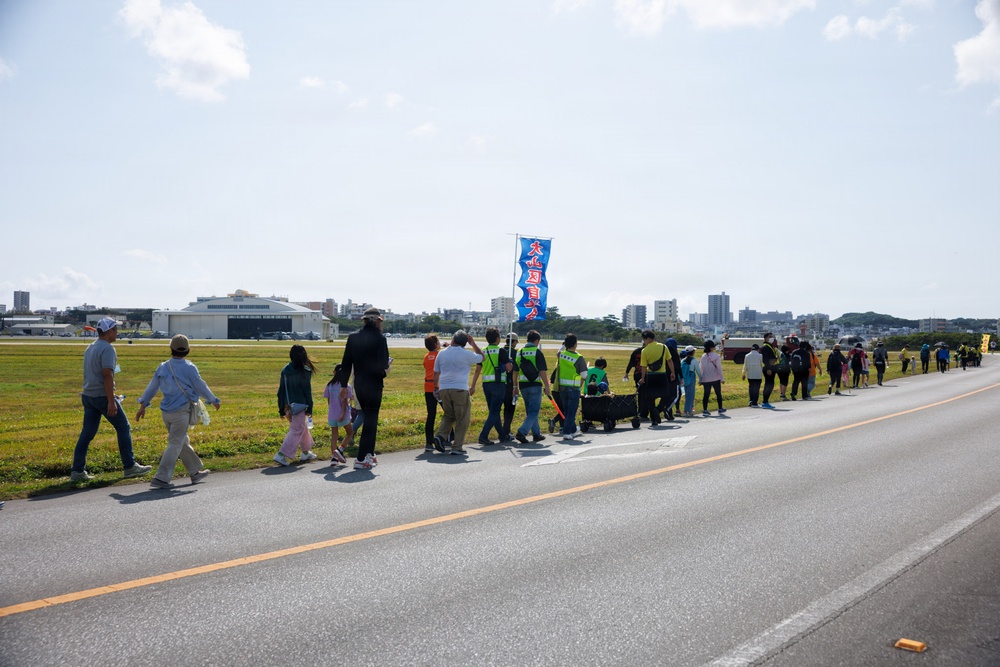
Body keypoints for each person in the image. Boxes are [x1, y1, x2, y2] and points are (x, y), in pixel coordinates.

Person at [71, 317, 152, 482]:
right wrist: (110, 400)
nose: (117, 333)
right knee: (123, 427)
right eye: (115, 330)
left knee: (87, 434)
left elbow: (93, 374)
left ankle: (77, 471)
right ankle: (129, 466)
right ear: (109, 332)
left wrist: (109, 394)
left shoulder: (90, 347)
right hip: (101, 397)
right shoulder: (108, 349)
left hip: (88, 396)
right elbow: (107, 375)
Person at [136, 335, 219, 489]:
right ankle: (161, 478)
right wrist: (213, 399)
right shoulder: (189, 367)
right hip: (181, 412)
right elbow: (200, 385)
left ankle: (195, 472)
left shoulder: (163, 367)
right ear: (187, 350)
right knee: (175, 443)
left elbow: (152, 388)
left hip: (166, 412)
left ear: (171, 349)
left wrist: (143, 405)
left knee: (182, 441)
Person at [339, 307, 391, 470]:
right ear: (378, 322)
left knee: (368, 418)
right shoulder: (380, 339)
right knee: (371, 420)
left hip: (359, 384)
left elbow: (346, 364)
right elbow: (383, 363)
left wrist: (342, 385)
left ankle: (369, 453)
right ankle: (361, 458)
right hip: (374, 383)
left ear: (364, 320)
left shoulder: (353, 338)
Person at [432, 330, 483, 455]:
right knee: (462, 418)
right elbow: (482, 357)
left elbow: (436, 373)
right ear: (465, 343)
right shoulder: (466, 354)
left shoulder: (442, 353)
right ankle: (457, 447)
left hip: (444, 388)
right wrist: (473, 344)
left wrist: (435, 388)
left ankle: (440, 436)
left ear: (453, 340)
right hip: (460, 388)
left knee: (449, 415)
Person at [273, 344, 319, 466]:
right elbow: (307, 391)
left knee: (302, 428)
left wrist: (282, 409)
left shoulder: (285, 370)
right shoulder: (305, 371)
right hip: (300, 405)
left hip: (288, 406)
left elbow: (281, 391)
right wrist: (310, 408)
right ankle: (281, 454)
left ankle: (305, 452)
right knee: (297, 429)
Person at [512, 329, 552, 444]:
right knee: (534, 411)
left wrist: (515, 386)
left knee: (530, 411)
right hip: (535, 384)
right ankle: (522, 432)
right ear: (537, 341)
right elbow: (542, 371)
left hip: (523, 384)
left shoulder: (519, 352)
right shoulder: (537, 352)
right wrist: (547, 386)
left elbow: (515, 371)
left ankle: (536, 434)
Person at [477, 327, 513, 446]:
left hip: (486, 384)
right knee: (494, 411)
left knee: (494, 411)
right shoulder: (500, 351)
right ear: (497, 338)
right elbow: (508, 368)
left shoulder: (483, 351)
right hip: (498, 384)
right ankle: (483, 435)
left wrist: (472, 385)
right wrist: (510, 362)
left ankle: (502, 435)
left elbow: (478, 369)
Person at [637, 330, 673, 426]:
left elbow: (644, 367)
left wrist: (643, 378)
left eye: (644, 340)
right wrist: (672, 372)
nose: (644, 342)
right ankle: (659, 409)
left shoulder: (644, 350)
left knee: (650, 399)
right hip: (662, 375)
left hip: (651, 376)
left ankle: (654, 419)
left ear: (648, 339)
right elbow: (669, 361)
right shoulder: (663, 347)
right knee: (666, 395)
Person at [556, 333, 588, 439]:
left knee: (567, 410)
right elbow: (584, 375)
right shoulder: (579, 357)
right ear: (575, 344)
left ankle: (573, 429)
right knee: (571, 412)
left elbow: (558, 351)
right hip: (573, 388)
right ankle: (567, 432)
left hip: (562, 387)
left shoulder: (561, 354)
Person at [323, 364, 353, 465]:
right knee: (350, 433)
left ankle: (333, 458)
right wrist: (342, 414)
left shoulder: (330, 385)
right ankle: (340, 449)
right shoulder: (346, 386)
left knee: (334, 436)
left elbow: (328, 400)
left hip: (332, 414)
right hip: (342, 414)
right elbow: (345, 401)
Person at [422, 334, 442, 452]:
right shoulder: (440, 355)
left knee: (431, 415)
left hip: (428, 387)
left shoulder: (426, 356)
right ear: (436, 344)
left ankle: (429, 442)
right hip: (438, 387)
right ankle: (449, 437)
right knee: (449, 412)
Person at [500, 332, 519, 442]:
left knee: (501, 408)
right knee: (510, 408)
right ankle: (506, 430)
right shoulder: (515, 353)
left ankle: (503, 430)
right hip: (511, 383)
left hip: (501, 383)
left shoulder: (501, 351)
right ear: (514, 341)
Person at [699, 340, 725, 416]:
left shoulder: (703, 357)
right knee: (718, 394)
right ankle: (720, 408)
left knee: (706, 394)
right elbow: (719, 368)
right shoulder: (716, 356)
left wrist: (700, 379)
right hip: (715, 378)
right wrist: (722, 378)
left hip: (706, 378)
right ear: (711, 348)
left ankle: (705, 409)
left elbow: (701, 368)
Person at [623, 343, 647, 419]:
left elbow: (631, 363)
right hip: (646, 374)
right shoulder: (648, 351)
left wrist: (627, 373)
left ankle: (640, 411)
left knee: (640, 393)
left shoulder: (636, 352)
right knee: (646, 393)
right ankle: (644, 412)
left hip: (637, 374)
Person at [663, 338, 683, 420]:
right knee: (676, 395)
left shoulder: (663, 352)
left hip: (663, 376)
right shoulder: (674, 353)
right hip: (673, 377)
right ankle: (667, 409)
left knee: (667, 395)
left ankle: (669, 414)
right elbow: (678, 367)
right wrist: (681, 377)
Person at [760, 333, 780, 409]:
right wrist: (768, 368)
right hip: (768, 368)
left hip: (772, 367)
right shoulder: (765, 347)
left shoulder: (770, 346)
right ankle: (765, 402)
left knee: (770, 384)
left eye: (772, 337)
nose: (771, 338)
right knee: (769, 384)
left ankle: (765, 401)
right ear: (765, 338)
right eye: (769, 337)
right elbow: (765, 359)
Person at [680, 345, 700, 417]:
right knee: (690, 395)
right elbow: (698, 371)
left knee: (687, 395)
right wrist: (701, 379)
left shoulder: (683, 360)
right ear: (693, 352)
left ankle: (688, 409)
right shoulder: (694, 360)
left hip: (684, 379)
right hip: (691, 377)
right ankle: (687, 410)